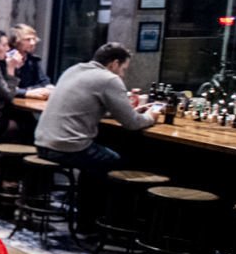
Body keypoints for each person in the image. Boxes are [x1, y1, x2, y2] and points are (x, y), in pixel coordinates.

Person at [34, 42, 159, 235]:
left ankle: (86, 218)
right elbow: (132, 124)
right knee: (115, 162)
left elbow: (88, 106)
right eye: (123, 69)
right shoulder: (109, 79)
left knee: (94, 165)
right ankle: (106, 224)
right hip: (67, 147)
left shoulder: (73, 69)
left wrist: (126, 111)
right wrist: (151, 116)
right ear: (114, 64)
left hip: (42, 141)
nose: (123, 75)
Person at [6, 24, 52, 99]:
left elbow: (44, 82)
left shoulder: (32, 60)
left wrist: (50, 89)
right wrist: (28, 92)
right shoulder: (4, 60)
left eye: (34, 39)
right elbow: (4, 88)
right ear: (15, 41)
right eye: (28, 39)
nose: (32, 43)